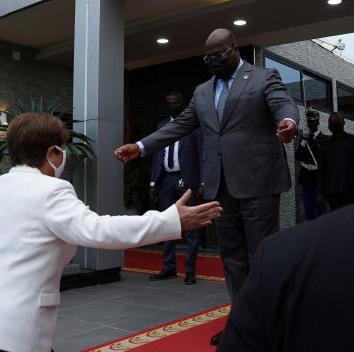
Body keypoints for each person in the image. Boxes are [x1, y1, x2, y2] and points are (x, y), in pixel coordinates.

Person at [0, 112, 222, 352]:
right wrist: (171, 221)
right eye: (63, 150)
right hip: (11, 332)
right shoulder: (52, 190)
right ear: (52, 153)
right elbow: (100, 231)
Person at [114, 28, 299, 345]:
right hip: (219, 184)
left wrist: (289, 123)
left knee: (262, 254)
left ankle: (273, 323)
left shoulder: (263, 77)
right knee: (232, 258)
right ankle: (242, 323)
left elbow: (283, 104)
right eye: (208, 57)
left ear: (234, 48)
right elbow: (179, 126)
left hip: (258, 179)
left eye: (219, 55)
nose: (213, 61)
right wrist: (141, 147)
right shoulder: (201, 92)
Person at [217, 200, 354, 352]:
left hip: (258, 189)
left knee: (269, 266)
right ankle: (244, 320)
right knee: (233, 258)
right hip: (219, 189)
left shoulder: (283, 255)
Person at [149, 92, 204, 285]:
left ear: (184, 103)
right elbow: (157, 155)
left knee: (190, 227)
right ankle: (168, 268)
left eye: (176, 102)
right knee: (166, 224)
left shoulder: (194, 126)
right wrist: (153, 182)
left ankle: (190, 271)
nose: (173, 105)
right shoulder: (162, 126)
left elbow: (201, 153)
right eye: (169, 102)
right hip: (165, 180)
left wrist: (201, 181)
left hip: (186, 180)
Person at [317, 112, 354, 211]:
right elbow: (321, 170)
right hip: (332, 191)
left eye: (336, 122)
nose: (333, 124)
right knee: (336, 222)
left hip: (352, 190)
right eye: (331, 122)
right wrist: (320, 192)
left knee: (352, 220)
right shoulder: (324, 144)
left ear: (343, 123)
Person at [294, 107, 327, 220]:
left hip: (318, 178)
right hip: (306, 177)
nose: (310, 123)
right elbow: (298, 156)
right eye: (309, 121)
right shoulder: (305, 137)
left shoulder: (324, 139)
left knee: (320, 208)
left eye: (312, 121)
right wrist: (303, 139)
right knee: (309, 208)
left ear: (318, 121)